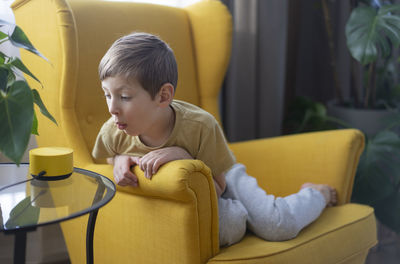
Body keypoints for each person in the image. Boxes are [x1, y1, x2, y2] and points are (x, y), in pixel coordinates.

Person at [92, 32, 337, 247]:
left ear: (163, 96)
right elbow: (99, 162)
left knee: (276, 225)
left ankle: (317, 194)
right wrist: (119, 160)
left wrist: (185, 157)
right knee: (230, 224)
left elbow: (219, 187)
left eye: (124, 96)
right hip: (197, 199)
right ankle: (240, 218)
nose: (112, 108)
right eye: (106, 95)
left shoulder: (200, 125)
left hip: (221, 175)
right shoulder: (113, 131)